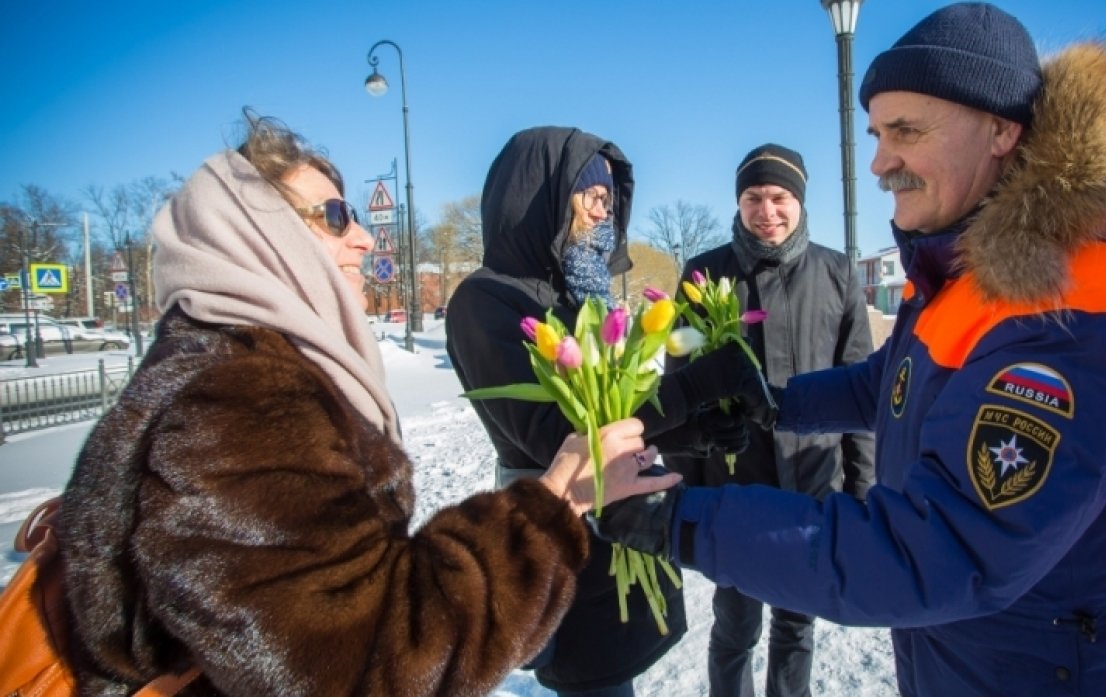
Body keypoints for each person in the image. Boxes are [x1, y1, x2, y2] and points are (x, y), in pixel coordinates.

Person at [592, 4, 1106, 695]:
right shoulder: (969, 270)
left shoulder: (1085, 304)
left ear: (1001, 130)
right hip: (965, 657)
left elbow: (937, 552)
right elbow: (893, 381)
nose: (881, 161)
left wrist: (676, 520)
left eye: (907, 131)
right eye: (876, 133)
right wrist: (773, 403)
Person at [55, 110, 681, 697]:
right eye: (332, 216)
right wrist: (551, 506)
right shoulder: (241, 395)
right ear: (257, 233)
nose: (360, 237)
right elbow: (354, 659)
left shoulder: (242, 364)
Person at [446, 126, 770, 696]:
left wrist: (696, 433)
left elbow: (622, 409)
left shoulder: (581, 293)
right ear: (542, 197)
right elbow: (560, 440)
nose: (605, 213)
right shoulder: (485, 300)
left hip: (621, 534)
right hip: (565, 550)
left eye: (610, 201)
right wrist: (695, 387)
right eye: (592, 196)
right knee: (594, 680)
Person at [664, 143, 876, 697]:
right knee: (735, 625)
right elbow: (679, 387)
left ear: (800, 201)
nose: (767, 210)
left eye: (779, 197)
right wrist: (690, 473)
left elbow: (861, 391)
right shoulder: (705, 273)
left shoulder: (836, 272)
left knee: (796, 624)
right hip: (736, 489)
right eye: (753, 197)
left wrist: (861, 490)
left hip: (812, 483)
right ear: (738, 202)